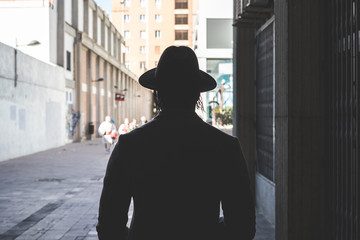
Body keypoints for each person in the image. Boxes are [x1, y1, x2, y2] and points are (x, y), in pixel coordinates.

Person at [97, 46, 255, 240]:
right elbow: (243, 225)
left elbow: (109, 225)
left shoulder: (130, 145)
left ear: (158, 94)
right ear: (198, 95)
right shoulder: (225, 147)